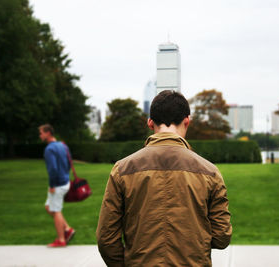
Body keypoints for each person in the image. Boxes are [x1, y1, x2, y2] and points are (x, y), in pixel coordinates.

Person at [96, 90, 232, 266]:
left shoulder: (122, 170)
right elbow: (222, 236)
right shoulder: (209, 172)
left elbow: (106, 238)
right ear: (187, 121)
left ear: (150, 123)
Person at [39, 124, 75, 248]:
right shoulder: (62, 145)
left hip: (58, 183)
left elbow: (53, 169)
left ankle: (61, 240)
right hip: (65, 181)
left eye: (41, 133)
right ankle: (67, 229)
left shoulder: (49, 149)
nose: (40, 135)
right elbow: (70, 162)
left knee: (55, 210)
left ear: (48, 133)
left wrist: (52, 185)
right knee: (49, 207)